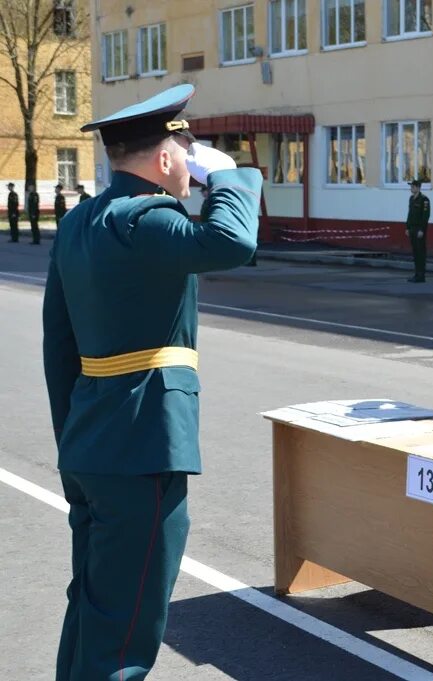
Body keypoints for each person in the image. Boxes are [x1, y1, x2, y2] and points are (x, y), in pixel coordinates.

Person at [42, 83, 261, 680]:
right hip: (142, 445)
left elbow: (59, 347)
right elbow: (232, 242)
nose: (191, 164)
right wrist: (235, 175)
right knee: (126, 630)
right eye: (185, 151)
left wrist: (71, 442)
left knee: (93, 609)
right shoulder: (146, 216)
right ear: (165, 158)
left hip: (91, 443)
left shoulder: (81, 221)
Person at [406, 179, 430, 282]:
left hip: (419, 229)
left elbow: (425, 216)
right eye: (411, 186)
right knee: (415, 252)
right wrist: (407, 227)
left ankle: (421, 275)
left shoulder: (424, 200)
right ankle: (416, 274)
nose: (411, 188)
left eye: (413, 186)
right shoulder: (411, 199)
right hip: (412, 228)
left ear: (418, 188)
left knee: (420, 252)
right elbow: (410, 214)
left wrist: (422, 229)